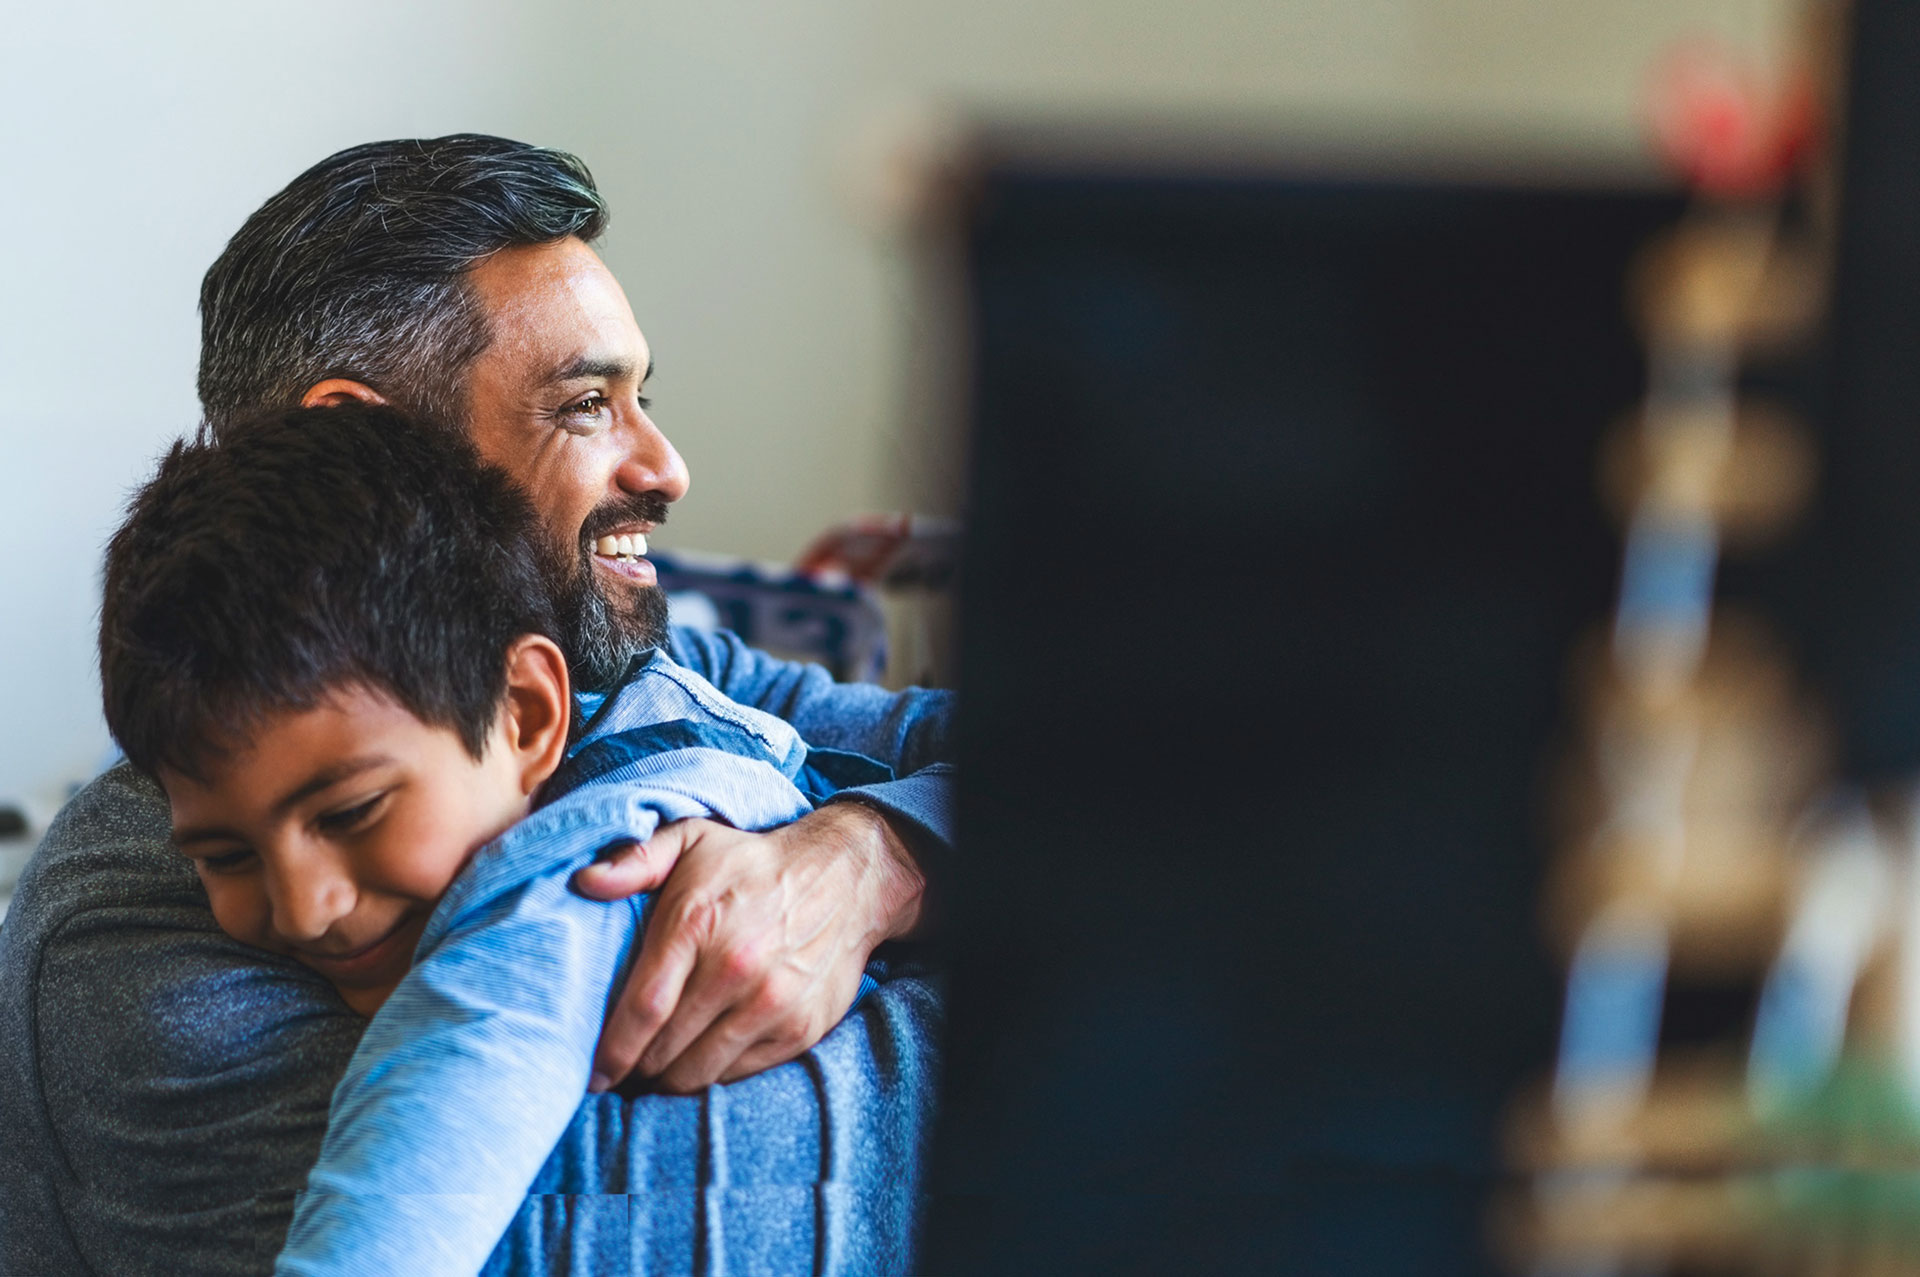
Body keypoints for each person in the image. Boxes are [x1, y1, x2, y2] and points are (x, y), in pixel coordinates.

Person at [0, 134, 951, 1274]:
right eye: (586, 403)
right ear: (364, 436)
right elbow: (658, 1228)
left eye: (640, 396)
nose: (666, 467)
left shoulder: (623, 668)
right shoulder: (133, 939)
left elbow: (1087, 768)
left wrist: (870, 858)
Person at [100, 405, 929, 1275]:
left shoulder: (570, 884)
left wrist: (882, 852)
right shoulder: (110, 922)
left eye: (352, 813)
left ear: (530, 715)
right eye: (225, 856)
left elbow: (409, 1189)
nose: (306, 909)